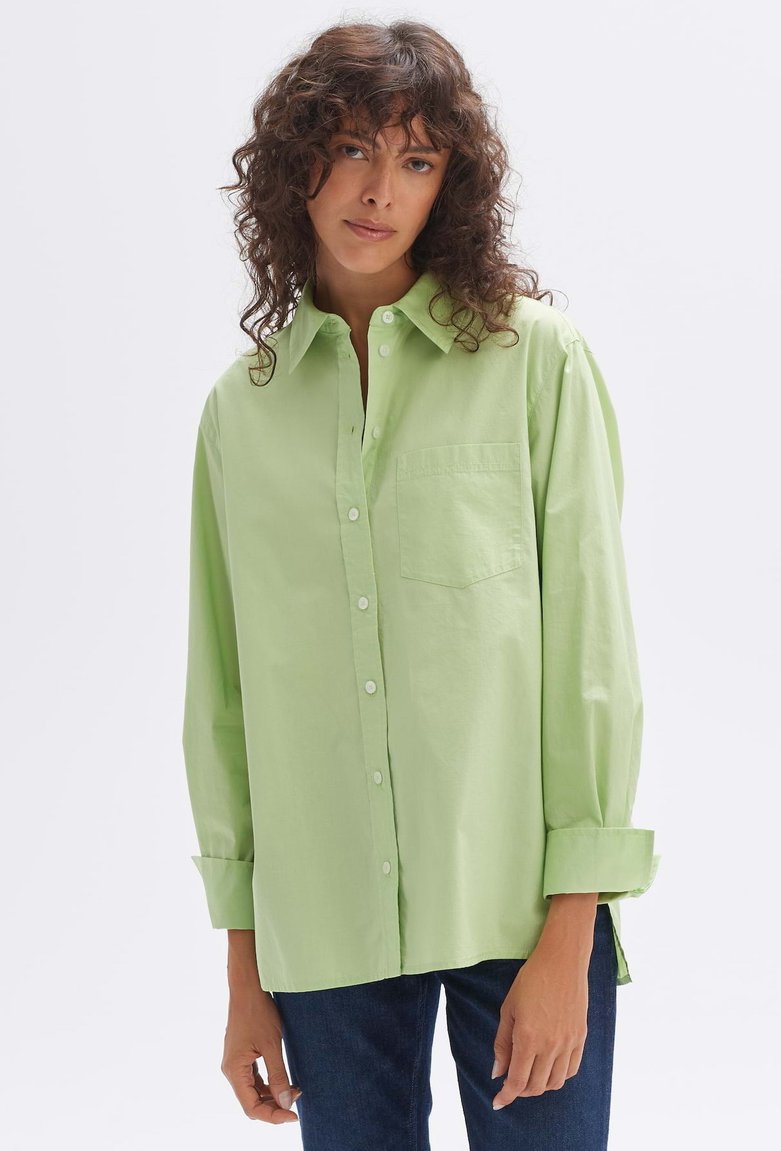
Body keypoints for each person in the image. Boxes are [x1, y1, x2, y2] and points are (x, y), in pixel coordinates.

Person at [181, 18, 660, 1150]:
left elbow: (589, 653)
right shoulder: (242, 410)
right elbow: (225, 696)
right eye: (350, 147)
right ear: (296, 164)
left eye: (415, 158)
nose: (377, 190)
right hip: (322, 924)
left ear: (451, 184)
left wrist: (572, 931)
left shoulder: (534, 362)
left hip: (521, 909)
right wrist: (245, 969)